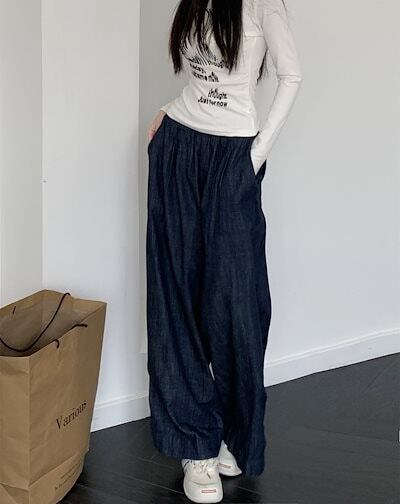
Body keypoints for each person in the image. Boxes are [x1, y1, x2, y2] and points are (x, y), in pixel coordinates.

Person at [146, 0, 303, 501]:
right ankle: (196, 444)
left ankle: (234, 434)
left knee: (237, 305)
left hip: (232, 156)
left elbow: (292, 75)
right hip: (177, 147)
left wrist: (254, 157)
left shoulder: (262, 5)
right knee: (176, 298)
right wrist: (167, 113)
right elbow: (197, 83)